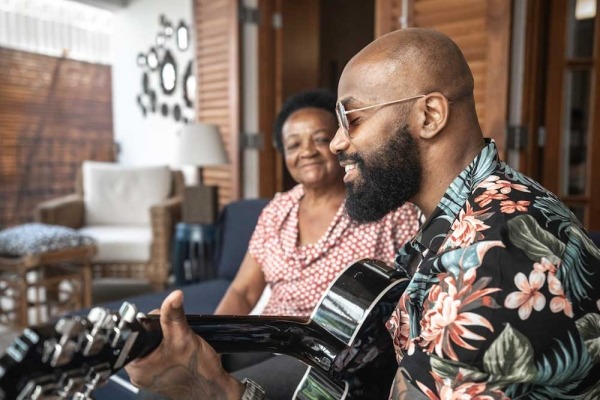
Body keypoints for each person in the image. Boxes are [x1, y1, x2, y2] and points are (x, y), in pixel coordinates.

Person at [127, 28, 600, 399]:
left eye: (351, 119)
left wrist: (218, 392)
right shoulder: (452, 215)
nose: (334, 144)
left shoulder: (492, 265)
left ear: (429, 116)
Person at [130, 88, 420, 400]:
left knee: (208, 391)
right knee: (163, 387)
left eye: (320, 138)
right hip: (269, 335)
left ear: (339, 141)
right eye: (294, 144)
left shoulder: (383, 208)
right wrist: (208, 342)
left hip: (332, 352)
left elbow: (411, 291)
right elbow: (243, 290)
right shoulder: (276, 210)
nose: (306, 151)